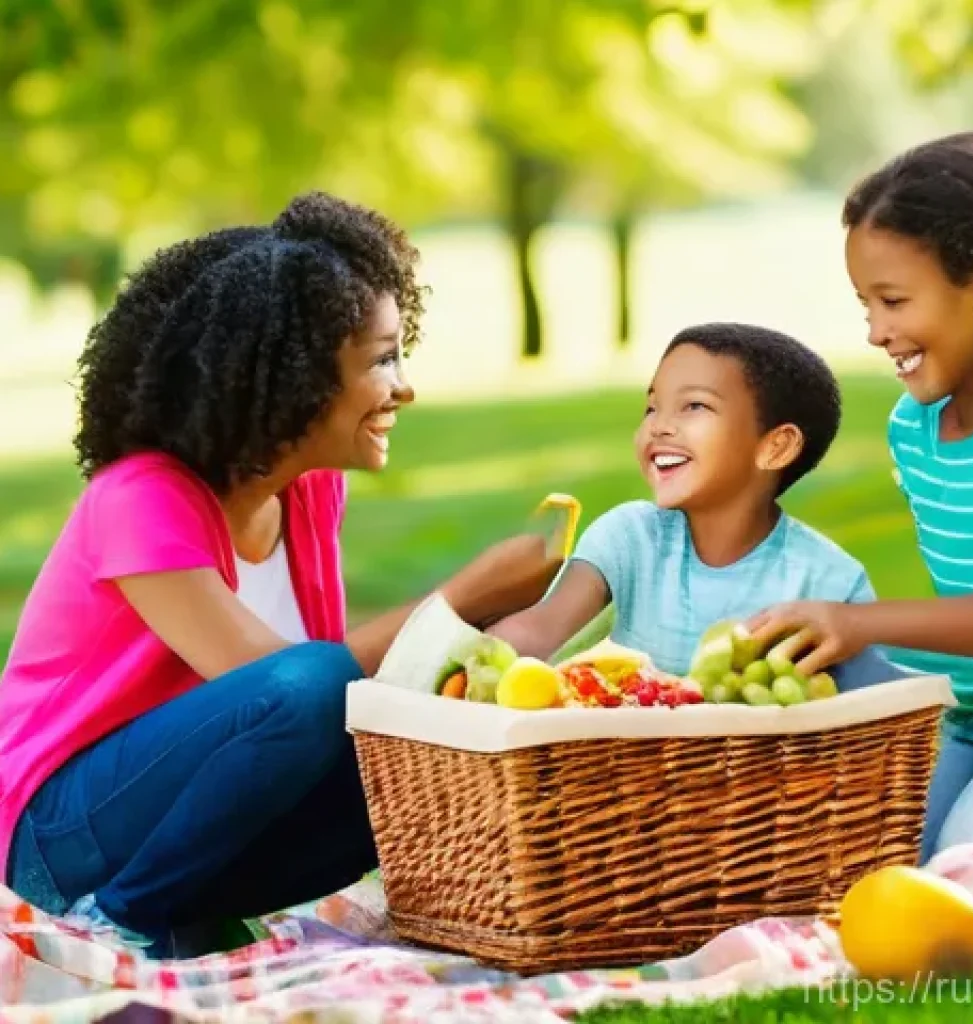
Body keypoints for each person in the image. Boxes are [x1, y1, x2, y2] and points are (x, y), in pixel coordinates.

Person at [0, 192, 562, 957]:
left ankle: (171, 911)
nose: (405, 388)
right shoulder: (142, 499)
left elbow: (312, 730)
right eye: (383, 359)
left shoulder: (309, 492)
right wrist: (462, 599)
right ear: (293, 377)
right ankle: (122, 919)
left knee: (405, 760)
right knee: (320, 686)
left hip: (170, 822)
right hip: (56, 838)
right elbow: (287, 691)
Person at [745, 131, 973, 863]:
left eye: (894, 300)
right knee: (872, 860)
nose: (875, 332)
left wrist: (858, 624)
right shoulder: (918, 430)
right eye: (865, 303)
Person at [490, 322, 896, 686]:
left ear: (776, 447)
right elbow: (540, 632)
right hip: (632, 766)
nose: (658, 425)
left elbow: (876, 712)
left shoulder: (830, 580)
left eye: (694, 406)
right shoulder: (630, 536)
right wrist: (460, 646)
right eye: (652, 407)